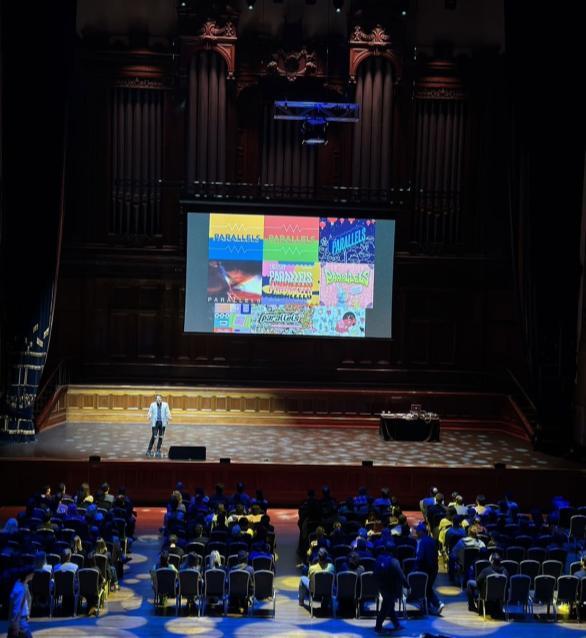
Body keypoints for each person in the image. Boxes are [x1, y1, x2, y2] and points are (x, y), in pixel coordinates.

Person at [374, 542, 407, 634]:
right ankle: (378, 627)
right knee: (385, 607)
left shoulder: (379, 558)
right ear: (393, 551)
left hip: (381, 586)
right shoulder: (394, 561)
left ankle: (396, 624)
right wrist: (407, 585)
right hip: (391, 588)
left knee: (389, 606)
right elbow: (401, 575)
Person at [415, 522, 444, 615]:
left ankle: (437, 604)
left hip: (425, 569)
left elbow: (420, 557)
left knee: (425, 588)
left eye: (417, 531)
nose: (416, 533)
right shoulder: (432, 541)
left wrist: (415, 568)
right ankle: (430, 606)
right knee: (427, 588)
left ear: (421, 531)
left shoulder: (422, 542)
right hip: (434, 568)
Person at [8, 567, 34, 638]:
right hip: (20, 621)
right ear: (27, 575)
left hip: (21, 620)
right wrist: (14, 626)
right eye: (32, 572)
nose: (33, 574)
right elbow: (15, 609)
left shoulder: (23, 586)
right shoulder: (20, 588)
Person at [146, 394, 171, 458]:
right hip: (155, 423)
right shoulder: (152, 405)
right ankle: (149, 450)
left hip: (162, 423)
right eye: (157, 399)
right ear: (156, 399)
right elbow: (150, 412)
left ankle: (158, 450)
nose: (158, 400)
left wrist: (169, 417)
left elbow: (167, 412)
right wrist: (149, 416)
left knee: (161, 437)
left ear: (161, 399)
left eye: (159, 399)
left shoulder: (165, 405)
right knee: (153, 436)